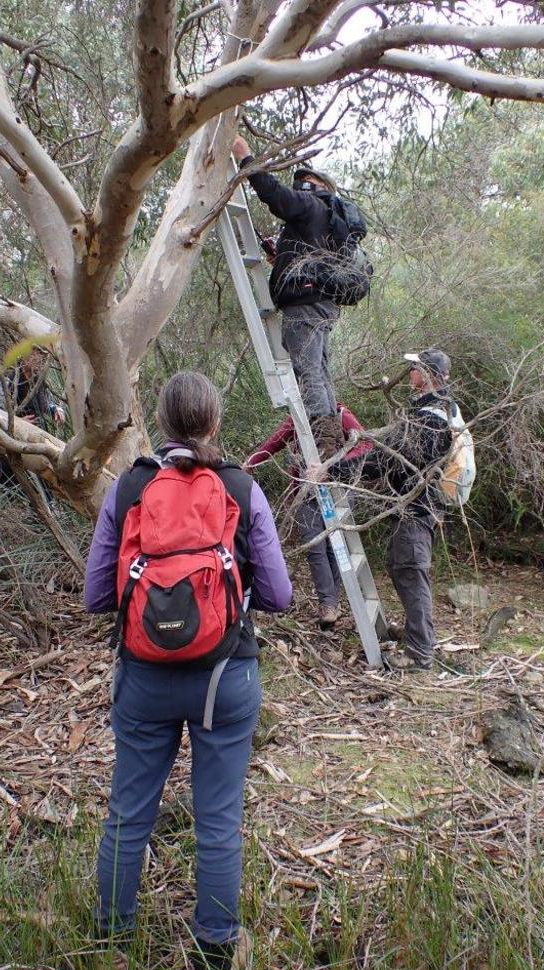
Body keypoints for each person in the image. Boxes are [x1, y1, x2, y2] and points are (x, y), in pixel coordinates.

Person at [84, 371, 291, 970]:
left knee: (127, 816)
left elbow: (96, 593)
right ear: (214, 423)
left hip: (144, 679)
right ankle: (211, 964)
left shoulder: (129, 488)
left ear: (164, 424)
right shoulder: (240, 488)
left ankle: (111, 952)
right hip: (225, 679)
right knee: (219, 821)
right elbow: (280, 594)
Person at [312, 349, 456, 670]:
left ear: (427, 374)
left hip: (419, 508)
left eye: (414, 368)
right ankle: (418, 635)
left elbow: (388, 458)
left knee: (410, 569)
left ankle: (420, 654)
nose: (410, 373)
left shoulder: (431, 417)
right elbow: (393, 449)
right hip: (417, 506)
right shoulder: (433, 410)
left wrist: (334, 471)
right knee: (400, 564)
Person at [232, 134, 354, 459]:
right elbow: (313, 259)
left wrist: (246, 158)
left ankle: (325, 448)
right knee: (320, 371)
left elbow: (276, 196)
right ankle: (332, 440)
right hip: (323, 306)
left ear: (318, 184)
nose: (300, 185)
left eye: (305, 180)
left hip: (304, 308)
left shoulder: (311, 204)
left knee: (309, 372)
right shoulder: (331, 219)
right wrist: (282, 261)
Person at [245, 403, 372, 629]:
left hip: (338, 490)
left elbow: (365, 443)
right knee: (315, 547)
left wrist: (335, 465)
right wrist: (252, 462)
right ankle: (329, 604)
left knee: (337, 546)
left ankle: (330, 603)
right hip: (306, 491)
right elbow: (277, 440)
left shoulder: (339, 413)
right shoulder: (298, 416)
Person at [0, 348, 65, 486]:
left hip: (36, 441)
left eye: (42, 357)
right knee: (6, 482)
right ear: (25, 356)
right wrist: (17, 423)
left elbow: (46, 402)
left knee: (41, 484)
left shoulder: (38, 381)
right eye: (35, 355)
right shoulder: (9, 378)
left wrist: (56, 410)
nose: (39, 360)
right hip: (12, 441)